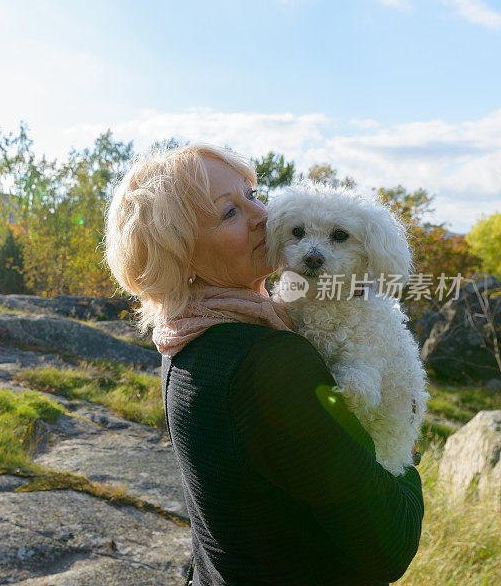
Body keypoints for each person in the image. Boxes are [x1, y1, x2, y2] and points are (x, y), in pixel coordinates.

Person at [103, 144, 424, 586]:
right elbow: (390, 546)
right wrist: (407, 456)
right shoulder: (269, 361)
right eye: (229, 212)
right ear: (182, 253)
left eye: (253, 195)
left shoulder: (187, 339)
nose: (260, 216)